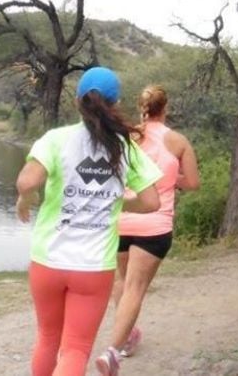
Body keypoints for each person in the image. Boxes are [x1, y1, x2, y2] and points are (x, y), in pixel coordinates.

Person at [16, 66, 163, 376]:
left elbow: (28, 181)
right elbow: (152, 202)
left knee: (47, 339)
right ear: (116, 104)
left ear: (78, 102)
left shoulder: (56, 139)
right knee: (76, 349)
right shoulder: (126, 149)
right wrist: (118, 201)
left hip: (48, 261)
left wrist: (24, 199)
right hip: (93, 267)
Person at [97, 85, 200, 374]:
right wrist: (168, 177)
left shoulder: (127, 136)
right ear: (165, 108)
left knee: (121, 280)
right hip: (154, 222)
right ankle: (112, 351)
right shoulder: (178, 141)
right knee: (135, 287)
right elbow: (192, 183)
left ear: (140, 107)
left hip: (122, 218)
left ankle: (128, 339)